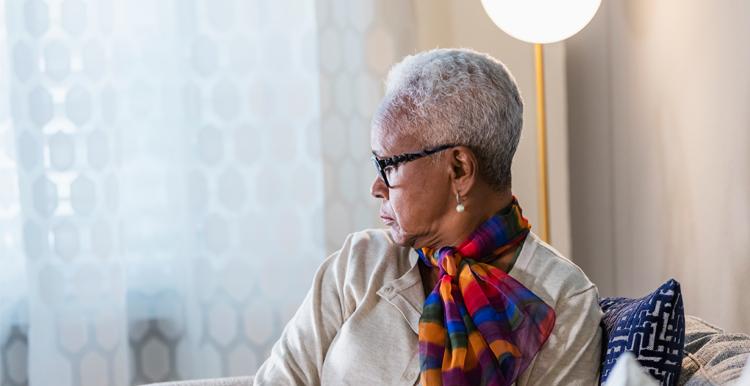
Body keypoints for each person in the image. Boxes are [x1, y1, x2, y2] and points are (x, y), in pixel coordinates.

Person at [254, 48, 603, 385]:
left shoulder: (563, 298)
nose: (377, 186)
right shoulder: (358, 264)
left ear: (459, 168)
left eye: (387, 165)